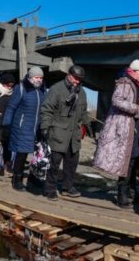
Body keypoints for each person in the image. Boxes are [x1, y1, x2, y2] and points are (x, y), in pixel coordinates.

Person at [93, 59, 139, 208]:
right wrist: (136, 108)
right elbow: (116, 100)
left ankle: (129, 192)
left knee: (133, 161)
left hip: (136, 126)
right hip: (124, 126)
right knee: (126, 161)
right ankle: (122, 195)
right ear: (133, 71)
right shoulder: (125, 82)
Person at [40, 65, 91, 201]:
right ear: (69, 75)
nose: (77, 81)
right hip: (58, 133)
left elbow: (84, 112)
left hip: (74, 136)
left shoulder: (82, 93)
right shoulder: (56, 89)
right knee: (54, 164)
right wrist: (45, 127)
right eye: (75, 78)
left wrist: (88, 124)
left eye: (79, 79)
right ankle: (49, 189)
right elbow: (47, 110)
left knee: (72, 163)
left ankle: (67, 187)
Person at [3, 67, 46, 190]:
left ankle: (33, 180)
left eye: (41, 78)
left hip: (36, 128)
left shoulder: (42, 91)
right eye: (36, 77)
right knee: (21, 154)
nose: (39, 80)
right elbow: (11, 107)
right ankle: (17, 179)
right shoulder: (21, 88)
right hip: (21, 127)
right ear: (30, 77)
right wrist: (6, 124)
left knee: (37, 156)